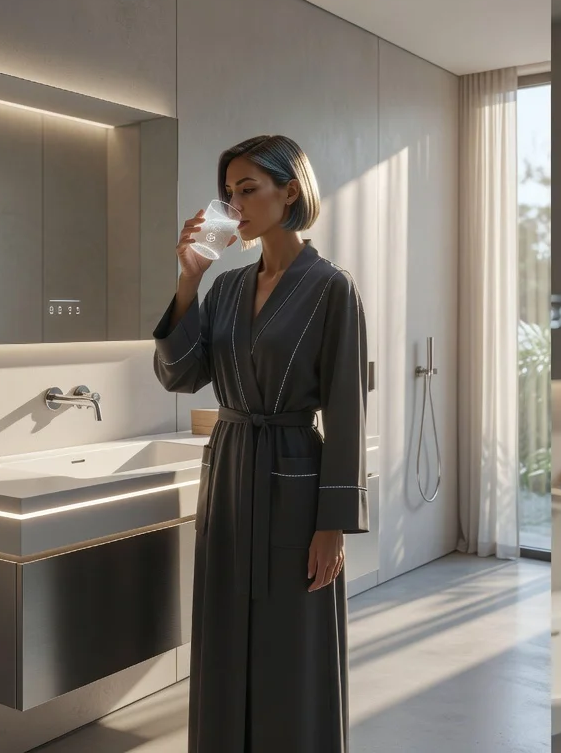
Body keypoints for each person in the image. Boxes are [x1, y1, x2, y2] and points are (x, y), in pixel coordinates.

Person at [153, 134, 369, 752]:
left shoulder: (331, 287)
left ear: (290, 190)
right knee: (225, 630)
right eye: (229, 192)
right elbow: (180, 375)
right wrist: (189, 281)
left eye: (248, 189)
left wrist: (332, 525)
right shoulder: (224, 289)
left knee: (291, 637)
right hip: (228, 473)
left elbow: (348, 410)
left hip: (295, 477)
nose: (235, 204)